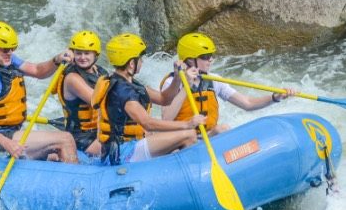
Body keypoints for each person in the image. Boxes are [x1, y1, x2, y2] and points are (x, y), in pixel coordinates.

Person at [0, 20, 78, 163]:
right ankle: (81, 184)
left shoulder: (6, 59)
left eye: (13, 48)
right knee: (65, 139)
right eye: (5, 49)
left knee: (56, 155)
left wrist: (56, 60)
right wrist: (8, 144)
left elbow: (37, 71)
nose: (10, 53)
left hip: (11, 133)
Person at [91, 33, 205, 166]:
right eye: (140, 59)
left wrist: (178, 77)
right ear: (131, 64)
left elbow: (164, 99)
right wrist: (187, 124)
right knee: (189, 135)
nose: (142, 62)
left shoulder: (129, 83)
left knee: (175, 140)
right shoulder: (122, 92)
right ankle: (191, 177)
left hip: (131, 145)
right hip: (122, 152)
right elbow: (147, 123)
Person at [160, 33, 296, 135]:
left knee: (223, 129)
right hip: (182, 140)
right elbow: (166, 119)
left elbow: (248, 103)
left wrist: (274, 97)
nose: (211, 60)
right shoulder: (172, 83)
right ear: (189, 60)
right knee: (200, 135)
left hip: (207, 136)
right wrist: (186, 85)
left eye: (211, 55)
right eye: (206, 56)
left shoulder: (214, 80)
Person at [54, 30, 109, 156]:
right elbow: (99, 101)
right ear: (72, 54)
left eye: (87, 53)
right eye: (78, 53)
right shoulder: (72, 78)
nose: (82, 57)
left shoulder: (100, 71)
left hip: (97, 130)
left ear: (96, 54)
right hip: (81, 138)